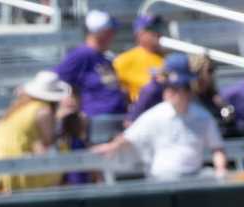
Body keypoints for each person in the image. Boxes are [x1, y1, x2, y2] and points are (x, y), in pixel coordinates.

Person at [94, 62, 227, 176]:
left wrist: (221, 170)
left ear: (187, 91)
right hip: (162, 177)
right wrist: (111, 146)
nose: (170, 93)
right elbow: (129, 137)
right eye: (169, 88)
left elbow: (217, 148)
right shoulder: (156, 114)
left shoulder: (203, 116)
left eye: (177, 89)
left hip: (193, 176)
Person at [0, 70, 69, 189]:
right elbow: (49, 143)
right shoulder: (44, 111)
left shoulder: (20, 107)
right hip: (8, 168)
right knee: (59, 165)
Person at [54, 9, 127, 118]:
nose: (113, 36)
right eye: (110, 32)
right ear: (101, 33)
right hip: (96, 119)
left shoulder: (104, 57)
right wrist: (66, 100)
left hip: (115, 117)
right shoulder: (82, 54)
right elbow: (54, 77)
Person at [112, 10, 167, 99]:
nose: (158, 33)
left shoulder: (166, 58)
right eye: (153, 28)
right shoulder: (125, 59)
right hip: (142, 109)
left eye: (159, 27)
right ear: (140, 33)